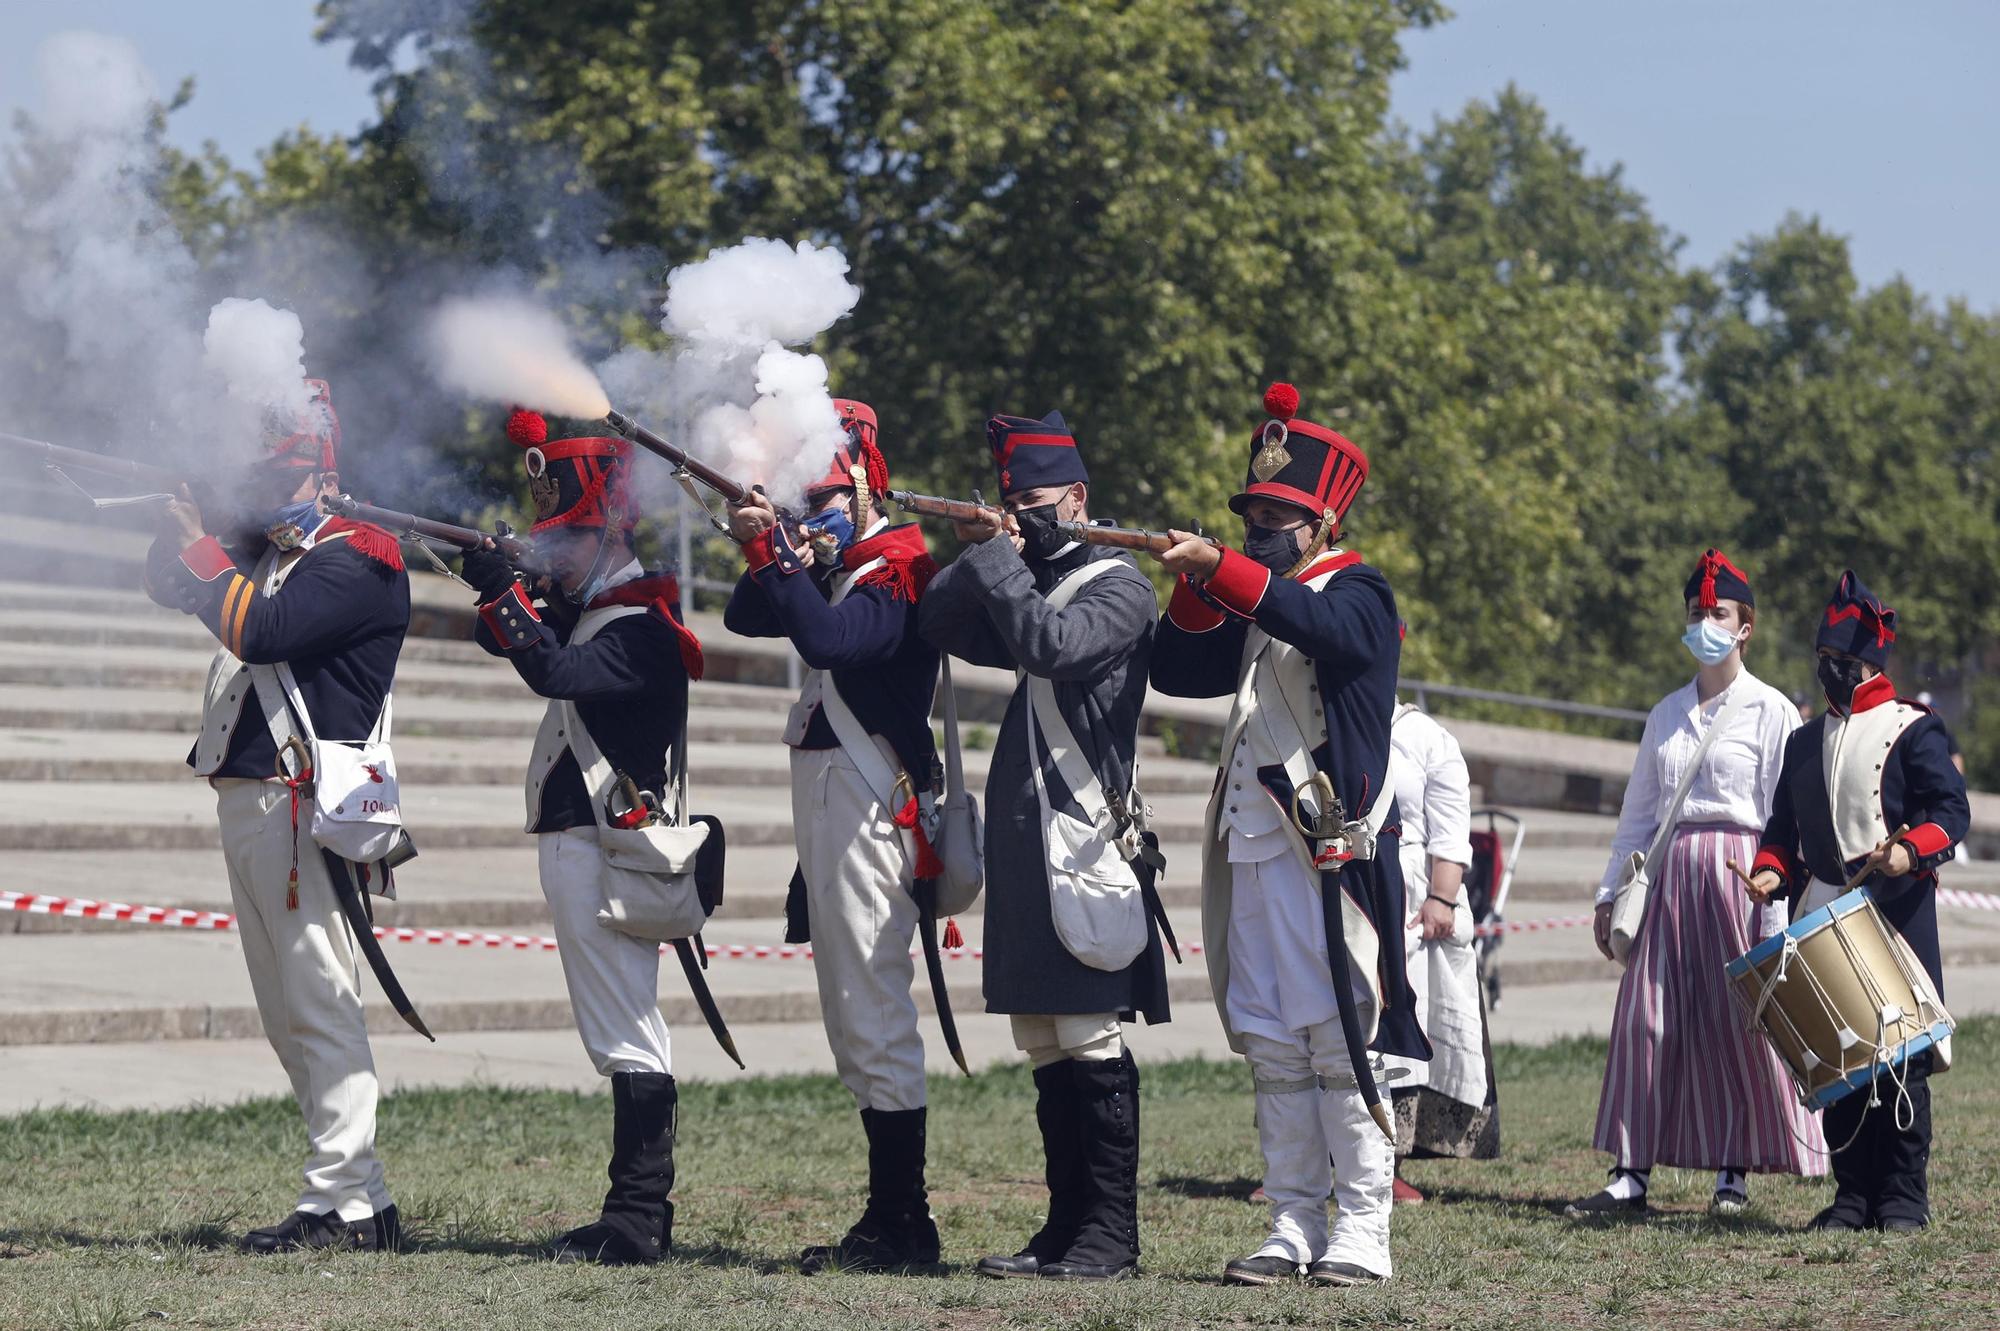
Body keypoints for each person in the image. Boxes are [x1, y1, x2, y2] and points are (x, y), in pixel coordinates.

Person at [1149, 382, 1425, 1287]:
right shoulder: (1260, 594)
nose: (1262, 524)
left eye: (1278, 514)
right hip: (1253, 845)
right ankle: (1294, 1218)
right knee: (1272, 1041)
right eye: (1253, 512)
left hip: (1325, 842)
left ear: (1321, 522)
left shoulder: (1356, 589)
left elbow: (1318, 627)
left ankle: (1362, 1226)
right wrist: (1195, 579)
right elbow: (1176, 666)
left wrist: (1227, 569)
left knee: (1341, 1041)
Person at [143, 380, 411, 1253]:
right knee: (286, 1008)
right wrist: (180, 521)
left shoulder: (361, 555)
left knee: (321, 1003)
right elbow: (166, 585)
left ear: (315, 466)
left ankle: (340, 1202)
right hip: (254, 798)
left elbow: (261, 632)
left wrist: (205, 543)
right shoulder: (267, 545)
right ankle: (356, 1194)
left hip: (304, 804)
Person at [918, 408, 1169, 1282]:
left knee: (1090, 1038)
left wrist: (1000, 558)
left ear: (1079, 498)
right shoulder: (1024, 571)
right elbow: (938, 625)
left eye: (1035, 501)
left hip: (1085, 838)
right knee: (1047, 1043)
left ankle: (1111, 1235)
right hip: (1032, 844)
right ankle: (1065, 1229)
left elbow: (1051, 645)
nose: (1022, 513)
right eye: (1011, 501)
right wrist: (981, 548)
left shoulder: (1120, 584)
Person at [463, 408, 705, 1266]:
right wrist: (494, 577)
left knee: (627, 1032)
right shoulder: (600, 611)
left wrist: (505, 590)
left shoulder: (641, 628)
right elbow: (509, 641)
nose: (553, 550)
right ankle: (633, 1213)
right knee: (619, 1030)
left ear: (609, 535)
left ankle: (638, 1218)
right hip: (592, 851)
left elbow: (554, 672)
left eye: (568, 537)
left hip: (611, 854)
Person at [720, 400, 946, 1274]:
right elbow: (748, 614)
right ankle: (890, 1214)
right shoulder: (836, 560)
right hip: (834, 802)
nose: (808, 508)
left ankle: (904, 1221)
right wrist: (782, 541)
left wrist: (775, 550)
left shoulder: (896, 567)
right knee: (852, 1012)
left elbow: (831, 641)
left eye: (819, 494)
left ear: (862, 483)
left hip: (868, 801)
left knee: (874, 1009)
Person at [1567, 550, 1825, 1219]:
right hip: (1671, 875)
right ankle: (1630, 1172)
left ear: (1746, 627)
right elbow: (1639, 814)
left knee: (1737, 1024)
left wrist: (1774, 909)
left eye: (1718, 613)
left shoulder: (1771, 710)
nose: (1705, 622)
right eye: (1696, 611)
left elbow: (1784, 817)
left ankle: (1731, 1176)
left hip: (1742, 876)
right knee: (1645, 1022)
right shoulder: (1665, 713)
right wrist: (1607, 893)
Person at [1743, 571, 1970, 1232]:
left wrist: (1908, 851)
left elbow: (1950, 811)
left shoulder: (1915, 729)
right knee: (1839, 1064)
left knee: (1900, 1064)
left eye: (1840, 662)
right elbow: (1784, 833)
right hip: (1821, 907)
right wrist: (1768, 874)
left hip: (1893, 914)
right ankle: (1851, 1195)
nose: (1829, 672)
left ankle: (1903, 1195)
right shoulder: (1803, 742)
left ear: (1869, 662)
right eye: (1823, 661)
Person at [1384, 699, 1495, 1197]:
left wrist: (1440, 897)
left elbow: (1451, 831)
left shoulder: (1425, 736)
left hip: (1411, 896)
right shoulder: (1323, 717)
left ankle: (1387, 1165)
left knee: (1406, 1024)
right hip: (1344, 886)